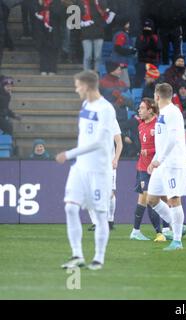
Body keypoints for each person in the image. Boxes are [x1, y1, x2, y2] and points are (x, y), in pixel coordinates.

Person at [56, 70, 117, 270]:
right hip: (80, 168)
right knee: (70, 207)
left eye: (78, 86)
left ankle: (98, 258)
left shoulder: (106, 109)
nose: (76, 90)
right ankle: (77, 255)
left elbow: (100, 142)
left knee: (100, 216)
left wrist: (70, 153)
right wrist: (76, 157)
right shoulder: (85, 105)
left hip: (99, 171)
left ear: (87, 86)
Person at [146, 83, 186, 251]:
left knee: (173, 199)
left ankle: (177, 240)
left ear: (157, 96)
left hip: (173, 163)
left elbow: (173, 139)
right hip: (162, 163)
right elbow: (163, 141)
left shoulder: (172, 112)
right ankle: (177, 225)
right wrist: (155, 160)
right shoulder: (163, 113)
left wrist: (160, 159)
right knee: (152, 198)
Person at [129, 98, 168, 242]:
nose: (139, 110)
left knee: (152, 199)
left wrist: (149, 151)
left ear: (150, 110)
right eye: (139, 108)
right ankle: (159, 233)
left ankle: (139, 231)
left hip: (158, 168)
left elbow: (163, 146)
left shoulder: (159, 124)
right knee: (149, 198)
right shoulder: (140, 126)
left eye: (142, 108)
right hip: (143, 169)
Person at [87, 116, 122, 232]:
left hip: (108, 163)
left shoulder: (111, 120)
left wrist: (116, 159)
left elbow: (119, 143)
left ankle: (110, 220)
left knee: (109, 194)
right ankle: (95, 223)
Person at [77, 0, 115, 71]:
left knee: (98, 56)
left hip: (99, 33)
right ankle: (86, 73)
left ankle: (96, 73)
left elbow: (106, 15)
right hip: (86, 33)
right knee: (88, 56)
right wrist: (82, 23)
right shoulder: (81, 2)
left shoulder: (101, 2)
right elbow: (76, 17)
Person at [34, 0, 62, 76]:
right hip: (42, 31)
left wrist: (49, 8)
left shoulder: (57, 3)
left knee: (53, 51)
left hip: (54, 30)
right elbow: (35, 15)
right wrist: (40, 7)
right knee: (43, 51)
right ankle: (43, 68)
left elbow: (58, 14)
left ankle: (52, 69)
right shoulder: (39, 3)